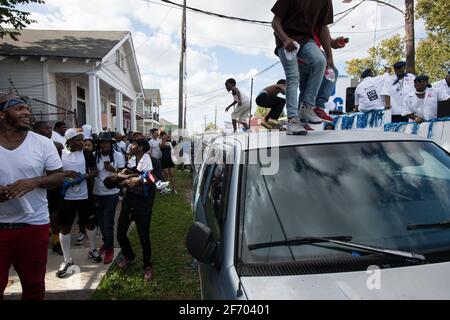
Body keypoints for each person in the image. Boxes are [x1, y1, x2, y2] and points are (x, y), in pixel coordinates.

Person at [0, 95, 65, 300]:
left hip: (33, 225)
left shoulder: (42, 143)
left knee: (34, 285)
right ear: (2, 114)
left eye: (27, 109)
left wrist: (34, 182)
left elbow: (59, 175)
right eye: (19, 108)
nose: (27, 113)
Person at [271, 0, 334, 135]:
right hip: (285, 39)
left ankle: (307, 107)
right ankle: (293, 119)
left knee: (320, 62)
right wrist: (285, 39)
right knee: (293, 76)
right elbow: (275, 22)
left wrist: (329, 55)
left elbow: (323, 28)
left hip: (306, 40)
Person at [57, 128, 101, 278]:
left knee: (90, 224)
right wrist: (66, 176)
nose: (81, 142)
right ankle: (67, 259)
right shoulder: (60, 154)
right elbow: (53, 172)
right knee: (65, 226)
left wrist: (84, 176)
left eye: (82, 139)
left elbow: (95, 171)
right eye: (77, 140)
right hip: (66, 197)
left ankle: (92, 249)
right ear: (69, 141)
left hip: (84, 196)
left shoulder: (87, 154)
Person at [116, 139, 158, 282]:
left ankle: (147, 265)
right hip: (129, 202)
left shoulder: (152, 161)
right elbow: (124, 176)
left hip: (144, 203)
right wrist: (123, 179)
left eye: (133, 144)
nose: (130, 146)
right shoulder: (130, 161)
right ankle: (129, 256)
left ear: (139, 148)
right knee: (121, 232)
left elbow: (154, 178)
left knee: (143, 235)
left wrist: (140, 180)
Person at [298, 31, 347, 126]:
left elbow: (327, 39)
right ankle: (318, 106)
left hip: (299, 57)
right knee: (332, 71)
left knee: (305, 87)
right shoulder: (319, 18)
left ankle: (301, 121)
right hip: (308, 50)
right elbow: (322, 30)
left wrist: (334, 42)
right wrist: (329, 56)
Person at [93, 132, 125, 264]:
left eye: (107, 142)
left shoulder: (118, 156)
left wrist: (113, 169)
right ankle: (106, 244)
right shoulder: (95, 156)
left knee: (107, 222)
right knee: (100, 222)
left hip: (111, 193)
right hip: (97, 193)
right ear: (99, 144)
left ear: (111, 144)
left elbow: (124, 174)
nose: (105, 145)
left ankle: (110, 249)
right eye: (102, 142)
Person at [33, 121, 64, 255]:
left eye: (50, 128)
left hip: (51, 187)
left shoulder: (56, 146)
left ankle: (56, 242)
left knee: (55, 214)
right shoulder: (29, 146)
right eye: (45, 128)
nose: (49, 130)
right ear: (36, 130)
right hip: (34, 189)